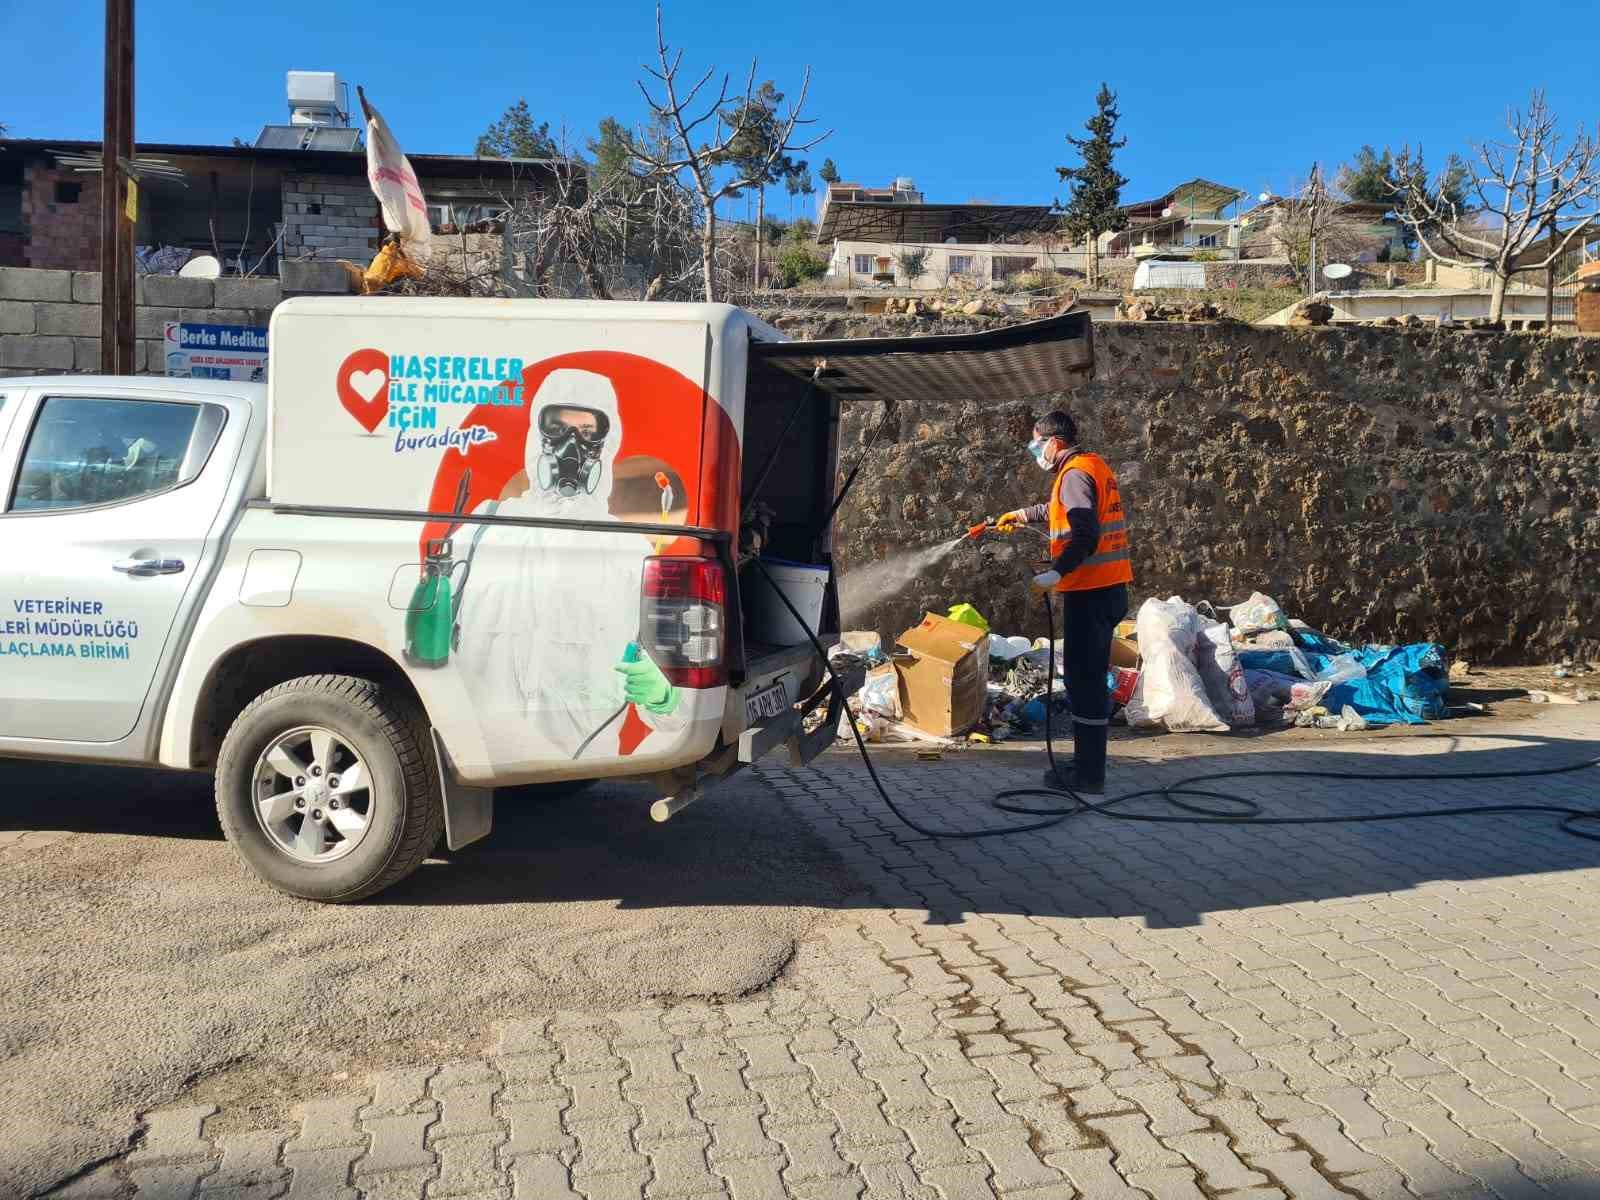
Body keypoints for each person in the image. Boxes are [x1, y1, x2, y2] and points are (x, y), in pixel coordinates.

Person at [452, 368, 687, 766]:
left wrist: (664, 695)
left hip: (576, 763)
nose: (571, 445)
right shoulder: (484, 528)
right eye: (558, 427)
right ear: (535, 433)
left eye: (586, 432)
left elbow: (674, 712)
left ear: (606, 445)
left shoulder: (628, 551)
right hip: (477, 759)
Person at [992, 410, 1132, 794]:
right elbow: (1063, 512)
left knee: (1082, 682)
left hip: (1090, 592)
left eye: (1037, 443)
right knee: (1085, 679)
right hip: (1109, 589)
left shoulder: (1072, 476)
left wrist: (1057, 572)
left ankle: (1089, 775)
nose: (1035, 450)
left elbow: (1084, 532)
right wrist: (1023, 514)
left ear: (1054, 442)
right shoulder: (1091, 466)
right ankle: (1088, 764)